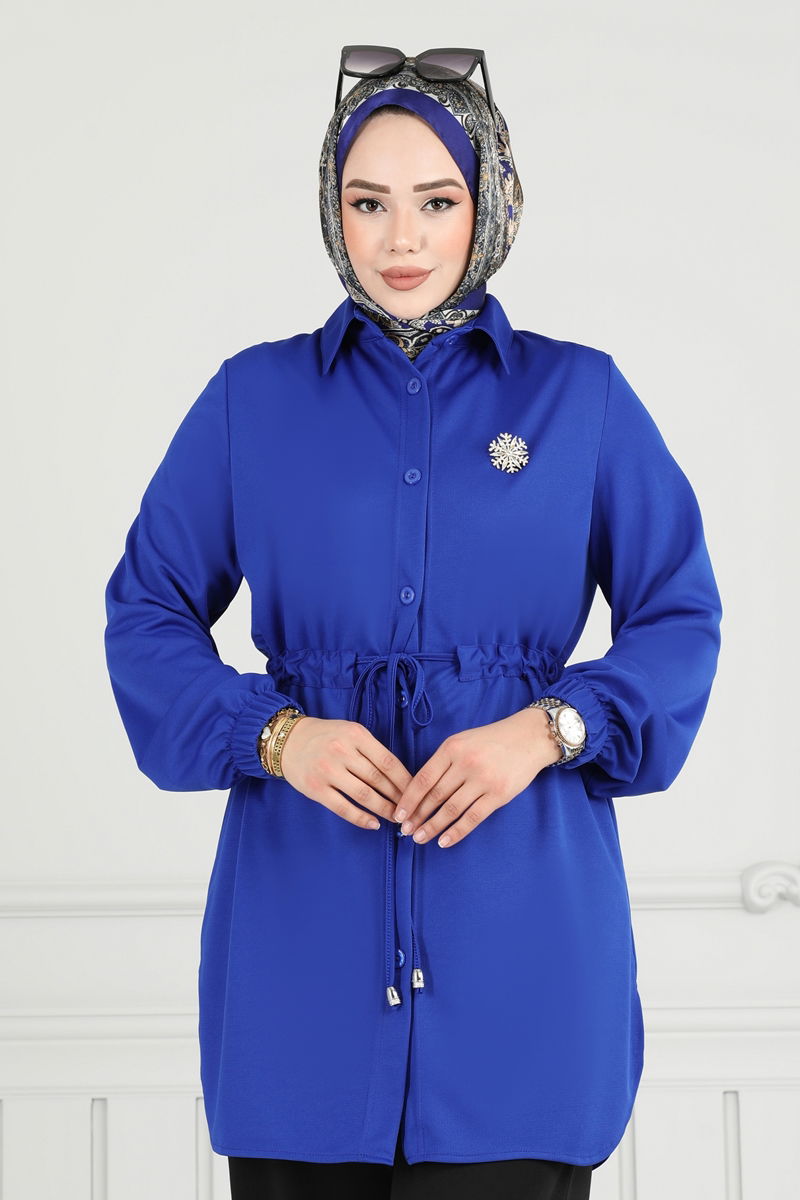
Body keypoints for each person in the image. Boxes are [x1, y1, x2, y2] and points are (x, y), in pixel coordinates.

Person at [103, 46, 723, 1200]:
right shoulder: (253, 399)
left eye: (435, 202)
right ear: (330, 211)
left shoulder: (578, 399)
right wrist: (276, 735)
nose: (399, 239)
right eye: (367, 202)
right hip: (299, 979)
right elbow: (145, 611)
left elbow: (678, 617)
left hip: (521, 976)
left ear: (487, 205)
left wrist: (545, 729)